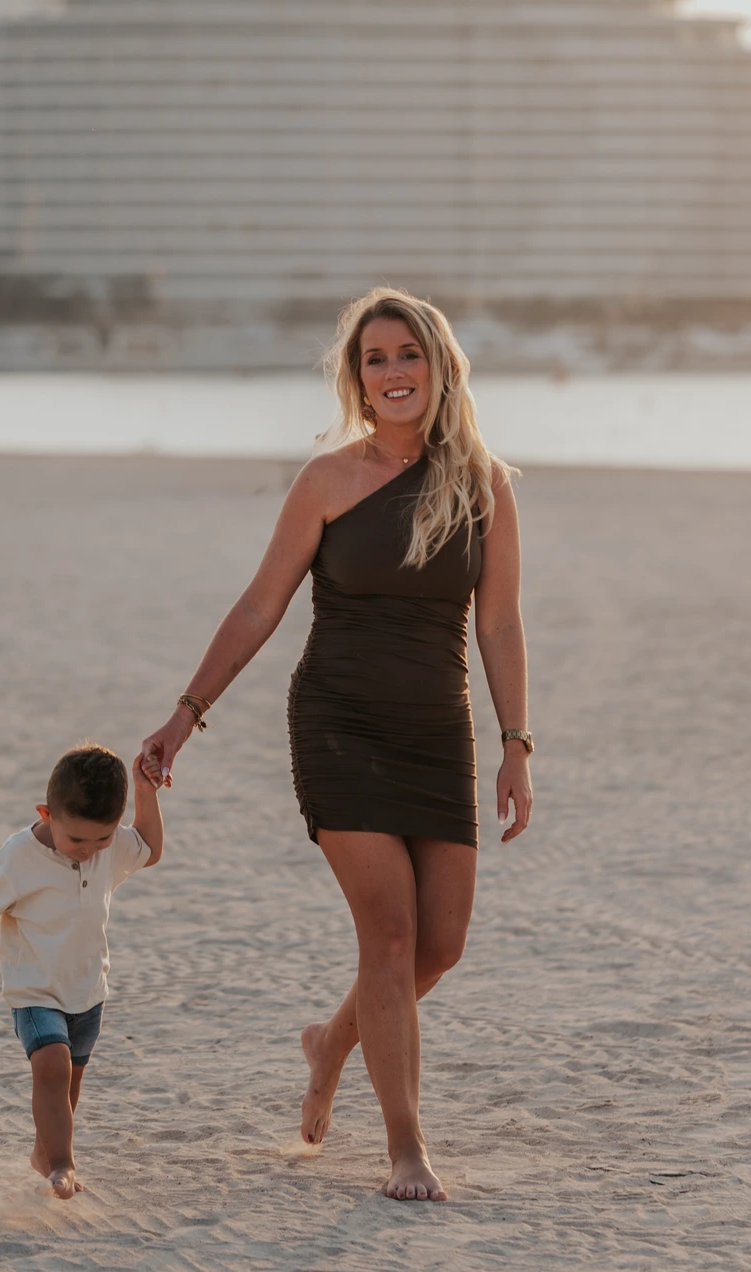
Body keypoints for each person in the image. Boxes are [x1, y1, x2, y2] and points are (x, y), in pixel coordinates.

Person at [140, 287, 532, 1203]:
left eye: (408, 355)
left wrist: (516, 743)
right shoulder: (327, 480)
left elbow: (502, 624)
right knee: (389, 935)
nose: (393, 372)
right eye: (375, 359)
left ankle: (331, 1041)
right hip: (339, 723)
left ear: (440, 366)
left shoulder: (484, 485)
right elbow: (259, 606)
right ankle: (405, 1147)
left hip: (438, 730)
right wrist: (183, 715)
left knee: (440, 947)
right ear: (357, 378)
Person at [0, 743, 164, 1198]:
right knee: (51, 1066)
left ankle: (43, 1153)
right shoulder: (20, 855)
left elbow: (149, 848)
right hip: (34, 990)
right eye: (76, 841)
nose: (89, 851)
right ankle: (64, 1164)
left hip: (88, 990)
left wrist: (148, 792)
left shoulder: (106, 846)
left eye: (103, 839)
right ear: (46, 814)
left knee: (68, 1085)